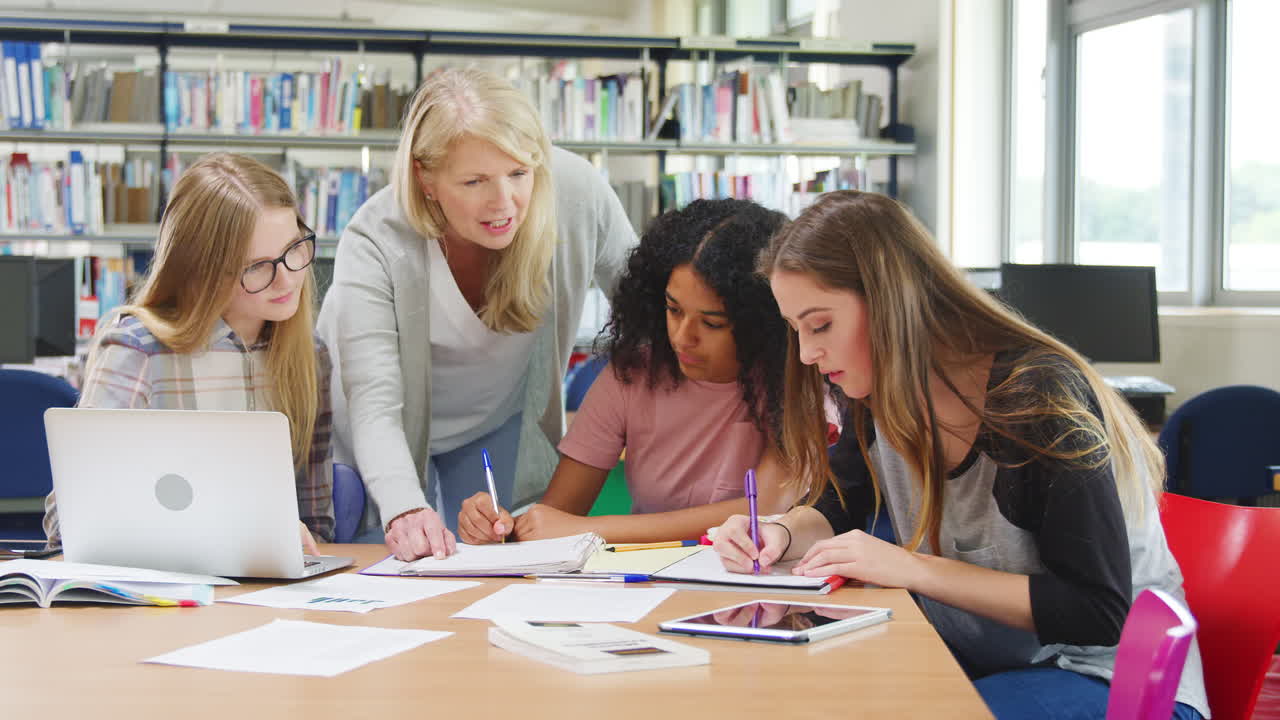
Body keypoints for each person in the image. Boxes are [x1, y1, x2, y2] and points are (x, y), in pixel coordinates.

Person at [712, 191, 1208, 720]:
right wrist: (781, 532)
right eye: (796, 330)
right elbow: (840, 505)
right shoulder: (877, 389)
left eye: (820, 325)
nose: (808, 353)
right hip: (984, 667)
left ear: (891, 302)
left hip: (1116, 680)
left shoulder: (1037, 396)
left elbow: (1096, 611)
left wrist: (912, 568)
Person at [316, 68, 636, 561]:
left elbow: (648, 307)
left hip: (493, 417)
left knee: (502, 556)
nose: (504, 202)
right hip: (381, 429)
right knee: (395, 560)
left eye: (519, 173)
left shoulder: (575, 192)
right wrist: (405, 509)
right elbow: (375, 403)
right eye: (474, 181)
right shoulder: (375, 237)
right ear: (425, 178)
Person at [456, 199, 796, 545]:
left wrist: (589, 530)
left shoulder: (793, 383)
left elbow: (766, 510)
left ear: (761, 322)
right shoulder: (634, 373)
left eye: (711, 323)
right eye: (673, 309)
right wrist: (500, 529)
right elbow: (555, 516)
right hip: (646, 574)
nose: (683, 337)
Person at [43, 152, 333, 553]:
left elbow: (318, 525)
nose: (287, 279)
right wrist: (233, 533)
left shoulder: (311, 355)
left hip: (276, 585)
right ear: (202, 271)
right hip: (163, 582)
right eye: (257, 266)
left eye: (294, 249)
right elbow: (68, 523)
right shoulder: (137, 350)